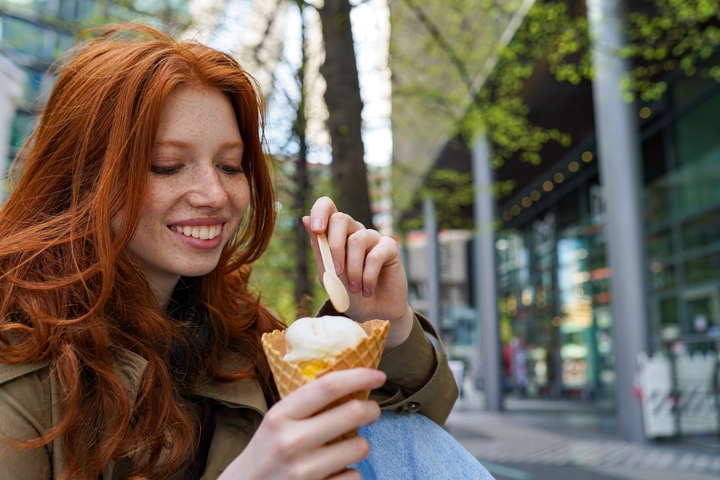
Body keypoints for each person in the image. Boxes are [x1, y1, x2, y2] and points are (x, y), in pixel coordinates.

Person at [0, 24, 459, 479]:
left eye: (229, 166)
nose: (215, 194)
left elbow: (398, 445)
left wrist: (388, 329)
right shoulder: (17, 363)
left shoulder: (240, 335)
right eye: (168, 166)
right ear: (80, 179)